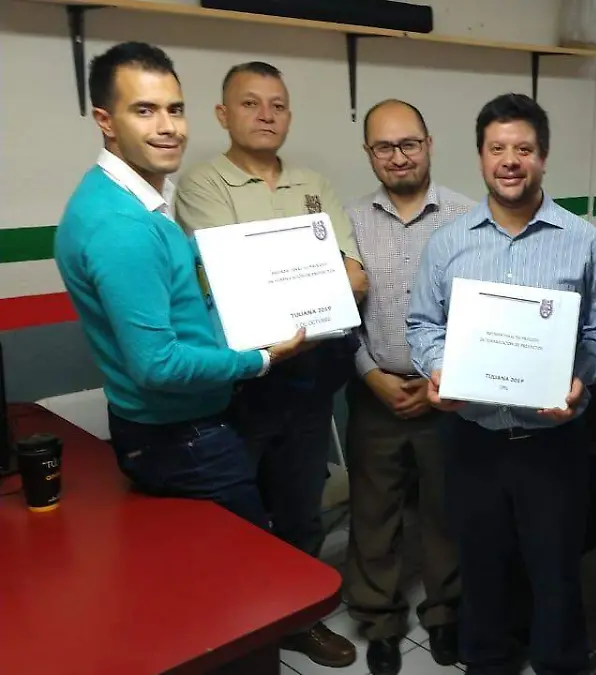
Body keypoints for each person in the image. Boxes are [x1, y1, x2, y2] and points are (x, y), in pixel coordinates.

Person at [407, 93, 596, 675]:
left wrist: (580, 380)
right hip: (472, 438)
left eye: (523, 149)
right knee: (481, 569)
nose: (510, 161)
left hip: (552, 442)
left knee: (556, 574)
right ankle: (487, 663)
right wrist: (438, 368)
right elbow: (423, 324)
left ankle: (559, 665)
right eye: (497, 148)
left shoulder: (582, 241)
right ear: (480, 156)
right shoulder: (448, 242)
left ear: (543, 157)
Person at [54, 42, 306, 529]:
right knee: (252, 565)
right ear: (106, 121)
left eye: (175, 109)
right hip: (181, 437)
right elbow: (158, 365)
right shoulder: (121, 225)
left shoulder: (135, 198)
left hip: (177, 427)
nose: (168, 126)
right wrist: (262, 359)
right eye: (144, 111)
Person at [173, 61, 363, 668]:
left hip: (310, 382)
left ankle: (299, 621)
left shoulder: (314, 183)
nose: (266, 115)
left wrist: (288, 282)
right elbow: (234, 283)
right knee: (242, 515)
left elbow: (355, 276)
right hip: (245, 382)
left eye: (277, 105)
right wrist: (310, 280)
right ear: (223, 114)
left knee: (303, 507)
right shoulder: (203, 185)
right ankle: (245, 632)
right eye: (250, 103)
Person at [343, 98, 475, 675]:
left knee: (447, 510)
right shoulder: (347, 221)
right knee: (375, 513)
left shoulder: (468, 218)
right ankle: (380, 621)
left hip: (446, 394)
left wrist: (441, 379)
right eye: (384, 147)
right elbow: (339, 314)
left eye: (409, 144)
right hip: (374, 390)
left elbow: (477, 315)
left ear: (429, 145)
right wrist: (369, 374)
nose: (398, 157)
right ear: (369, 152)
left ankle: (445, 613)